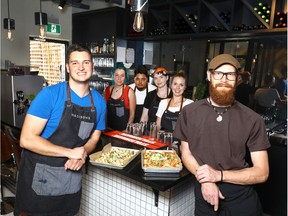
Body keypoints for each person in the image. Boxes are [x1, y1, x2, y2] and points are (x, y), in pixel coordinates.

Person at [14, 44, 107, 215]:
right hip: (38, 184)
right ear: (67, 67)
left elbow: (94, 138)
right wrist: (70, 152)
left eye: (86, 62)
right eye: (75, 63)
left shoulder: (99, 102)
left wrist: (83, 153)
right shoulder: (49, 95)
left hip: (69, 184)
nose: (81, 68)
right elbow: (26, 139)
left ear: (92, 66)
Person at [173, 54, 270, 216]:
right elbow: (186, 153)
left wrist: (218, 175)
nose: (224, 79)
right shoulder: (189, 112)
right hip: (205, 198)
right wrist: (206, 180)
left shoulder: (252, 119)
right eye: (218, 73)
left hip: (241, 200)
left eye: (230, 75)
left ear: (237, 79)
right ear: (209, 76)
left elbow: (262, 172)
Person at [104, 62, 136, 131]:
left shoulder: (129, 91)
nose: (119, 78)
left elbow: (132, 114)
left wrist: (127, 130)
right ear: (113, 76)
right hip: (109, 130)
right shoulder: (107, 90)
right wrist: (105, 127)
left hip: (123, 131)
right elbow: (104, 111)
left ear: (125, 77)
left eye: (122, 76)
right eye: (116, 75)